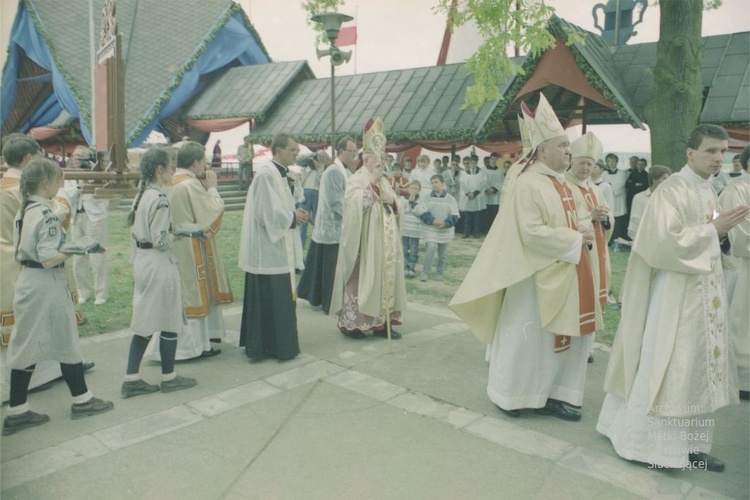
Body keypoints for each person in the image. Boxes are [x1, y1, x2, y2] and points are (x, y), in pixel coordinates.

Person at [597, 124, 749, 472]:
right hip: (675, 294)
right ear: (690, 153)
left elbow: (719, 234)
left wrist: (722, 235)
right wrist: (715, 231)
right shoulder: (671, 190)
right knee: (668, 364)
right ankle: (648, 446)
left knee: (696, 369)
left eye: (723, 151)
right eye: (711, 150)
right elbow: (661, 243)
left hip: (707, 293)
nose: (719, 158)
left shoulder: (709, 192)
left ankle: (693, 446)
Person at [450, 93, 599, 421]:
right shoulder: (528, 183)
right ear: (543, 149)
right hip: (530, 276)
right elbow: (530, 232)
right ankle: (511, 395)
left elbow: (576, 218)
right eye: (562, 146)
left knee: (553, 341)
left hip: (564, 271)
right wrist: (575, 238)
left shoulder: (562, 183)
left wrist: (586, 229)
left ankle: (549, 394)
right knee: (527, 337)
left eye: (567, 146)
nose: (568, 151)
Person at [4, 158, 113, 435]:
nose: (59, 185)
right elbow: (49, 258)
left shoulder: (25, 209)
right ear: (45, 183)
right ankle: (78, 401)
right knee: (62, 339)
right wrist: (79, 247)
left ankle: (24, 408)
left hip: (30, 281)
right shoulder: (47, 214)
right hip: (46, 283)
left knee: (30, 343)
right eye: (57, 180)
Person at [121, 148, 197, 398]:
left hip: (144, 262)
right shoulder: (160, 199)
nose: (174, 169)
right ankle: (168, 377)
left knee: (145, 319)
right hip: (159, 264)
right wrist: (184, 233)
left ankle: (132, 377)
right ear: (159, 170)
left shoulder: (144, 194)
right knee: (168, 319)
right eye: (170, 165)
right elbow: (161, 240)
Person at [146, 141, 232, 361]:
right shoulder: (190, 184)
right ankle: (193, 347)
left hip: (173, 245)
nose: (206, 166)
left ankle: (195, 343)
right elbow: (211, 210)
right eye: (204, 161)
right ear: (195, 163)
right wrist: (212, 188)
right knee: (194, 292)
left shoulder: (169, 181)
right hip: (191, 245)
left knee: (182, 295)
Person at [331, 118, 407, 340]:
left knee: (384, 280)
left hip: (385, 244)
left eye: (382, 157)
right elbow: (352, 205)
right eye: (377, 157)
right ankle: (354, 325)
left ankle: (382, 324)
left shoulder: (384, 180)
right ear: (366, 158)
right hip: (364, 243)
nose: (380, 161)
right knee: (360, 280)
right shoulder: (357, 178)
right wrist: (371, 186)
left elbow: (396, 203)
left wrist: (392, 202)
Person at [0, 135, 63, 403]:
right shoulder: (24, 191)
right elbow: (50, 222)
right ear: (28, 159)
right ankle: (30, 382)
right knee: (28, 325)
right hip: (20, 260)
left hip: (6, 258)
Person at [238, 133, 307, 361]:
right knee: (272, 298)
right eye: (292, 150)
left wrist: (294, 213)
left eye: (297, 150)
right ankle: (271, 347)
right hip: (268, 249)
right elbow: (265, 212)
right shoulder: (267, 174)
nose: (296, 154)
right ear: (278, 150)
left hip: (278, 245)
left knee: (280, 297)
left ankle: (278, 345)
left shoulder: (281, 173)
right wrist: (290, 218)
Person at [298, 137, 358, 315]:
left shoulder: (346, 171)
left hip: (338, 227)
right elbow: (335, 202)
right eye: (351, 152)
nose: (355, 155)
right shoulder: (334, 171)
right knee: (331, 269)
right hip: (332, 227)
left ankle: (327, 299)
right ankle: (330, 302)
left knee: (326, 267)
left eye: (356, 152)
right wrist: (355, 216)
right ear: (341, 152)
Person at [719, 146, 749, 400]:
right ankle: (738, 379)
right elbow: (737, 235)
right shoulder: (736, 190)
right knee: (739, 320)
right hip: (742, 268)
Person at [69, 146, 109, 305]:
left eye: (79, 156)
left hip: (95, 217)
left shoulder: (98, 173)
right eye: (74, 156)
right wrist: (79, 187)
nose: (75, 159)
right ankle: (82, 292)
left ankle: (101, 294)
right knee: (78, 256)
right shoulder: (69, 174)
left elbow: (101, 196)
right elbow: (67, 194)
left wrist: (89, 180)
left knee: (97, 256)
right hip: (76, 216)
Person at [419, 174, 459, 281]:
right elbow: (422, 212)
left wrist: (446, 223)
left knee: (443, 254)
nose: (434, 184)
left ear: (442, 184)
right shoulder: (426, 198)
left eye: (436, 182)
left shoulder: (450, 199)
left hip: (445, 230)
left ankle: (439, 272)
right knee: (430, 249)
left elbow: (455, 214)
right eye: (432, 183)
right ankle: (425, 272)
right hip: (431, 229)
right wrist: (433, 221)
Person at [626, 165, 671, 240]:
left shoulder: (670, 197)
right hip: (645, 240)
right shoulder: (639, 198)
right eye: (664, 178)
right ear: (654, 180)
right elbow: (635, 221)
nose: (668, 181)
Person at [602, 153, 629, 249]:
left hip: (618, 200)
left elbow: (620, 185)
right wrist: (609, 187)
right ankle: (608, 240)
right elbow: (603, 185)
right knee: (609, 218)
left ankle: (616, 240)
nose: (611, 163)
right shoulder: (603, 174)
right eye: (609, 161)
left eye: (613, 161)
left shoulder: (622, 173)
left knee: (618, 220)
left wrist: (610, 186)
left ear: (617, 162)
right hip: (608, 199)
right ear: (607, 162)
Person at [296, 153, 323, 248]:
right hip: (306, 192)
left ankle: (317, 245)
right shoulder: (305, 166)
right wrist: (310, 156)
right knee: (302, 221)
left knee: (318, 221)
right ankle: (300, 247)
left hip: (316, 192)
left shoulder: (322, 167)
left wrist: (319, 167)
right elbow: (298, 160)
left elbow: (322, 179)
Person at [400, 180, 425, 279]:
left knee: (414, 250)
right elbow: (402, 210)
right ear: (407, 189)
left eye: (415, 188)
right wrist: (409, 202)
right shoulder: (402, 199)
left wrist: (413, 203)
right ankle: (405, 267)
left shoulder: (421, 200)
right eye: (411, 188)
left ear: (419, 190)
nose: (413, 190)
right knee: (405, 249)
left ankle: (412, 267)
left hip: (415, 229)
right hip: (405, 227)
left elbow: (420, 212)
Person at [459, 154, 486, 238]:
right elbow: (462, 184)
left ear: (477, 163)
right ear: (469, 164)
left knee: (477, 216)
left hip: (477, 197)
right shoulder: (464, 173)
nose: (473, 164)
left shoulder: (481, 173)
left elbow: (482, 184)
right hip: (468, 197)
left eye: (475, 163)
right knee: (467, 216)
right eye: (471, 163)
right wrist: (468, 193)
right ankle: (466, 232)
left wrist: (475, 193)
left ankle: (476, 232)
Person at [483, 152, 504, 233]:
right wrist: (487, 189)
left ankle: (493, 231)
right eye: (492, 159)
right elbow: (482, 181)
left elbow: (501, 182)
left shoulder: (500, 171)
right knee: (486, 214)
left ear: (497, 160)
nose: (493, 161)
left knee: (493, 214)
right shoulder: (483, 170)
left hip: (495, 196)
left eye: (495, 159)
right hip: (486, 195)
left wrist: (494, 189)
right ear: (489, 159)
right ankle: (485, 230)